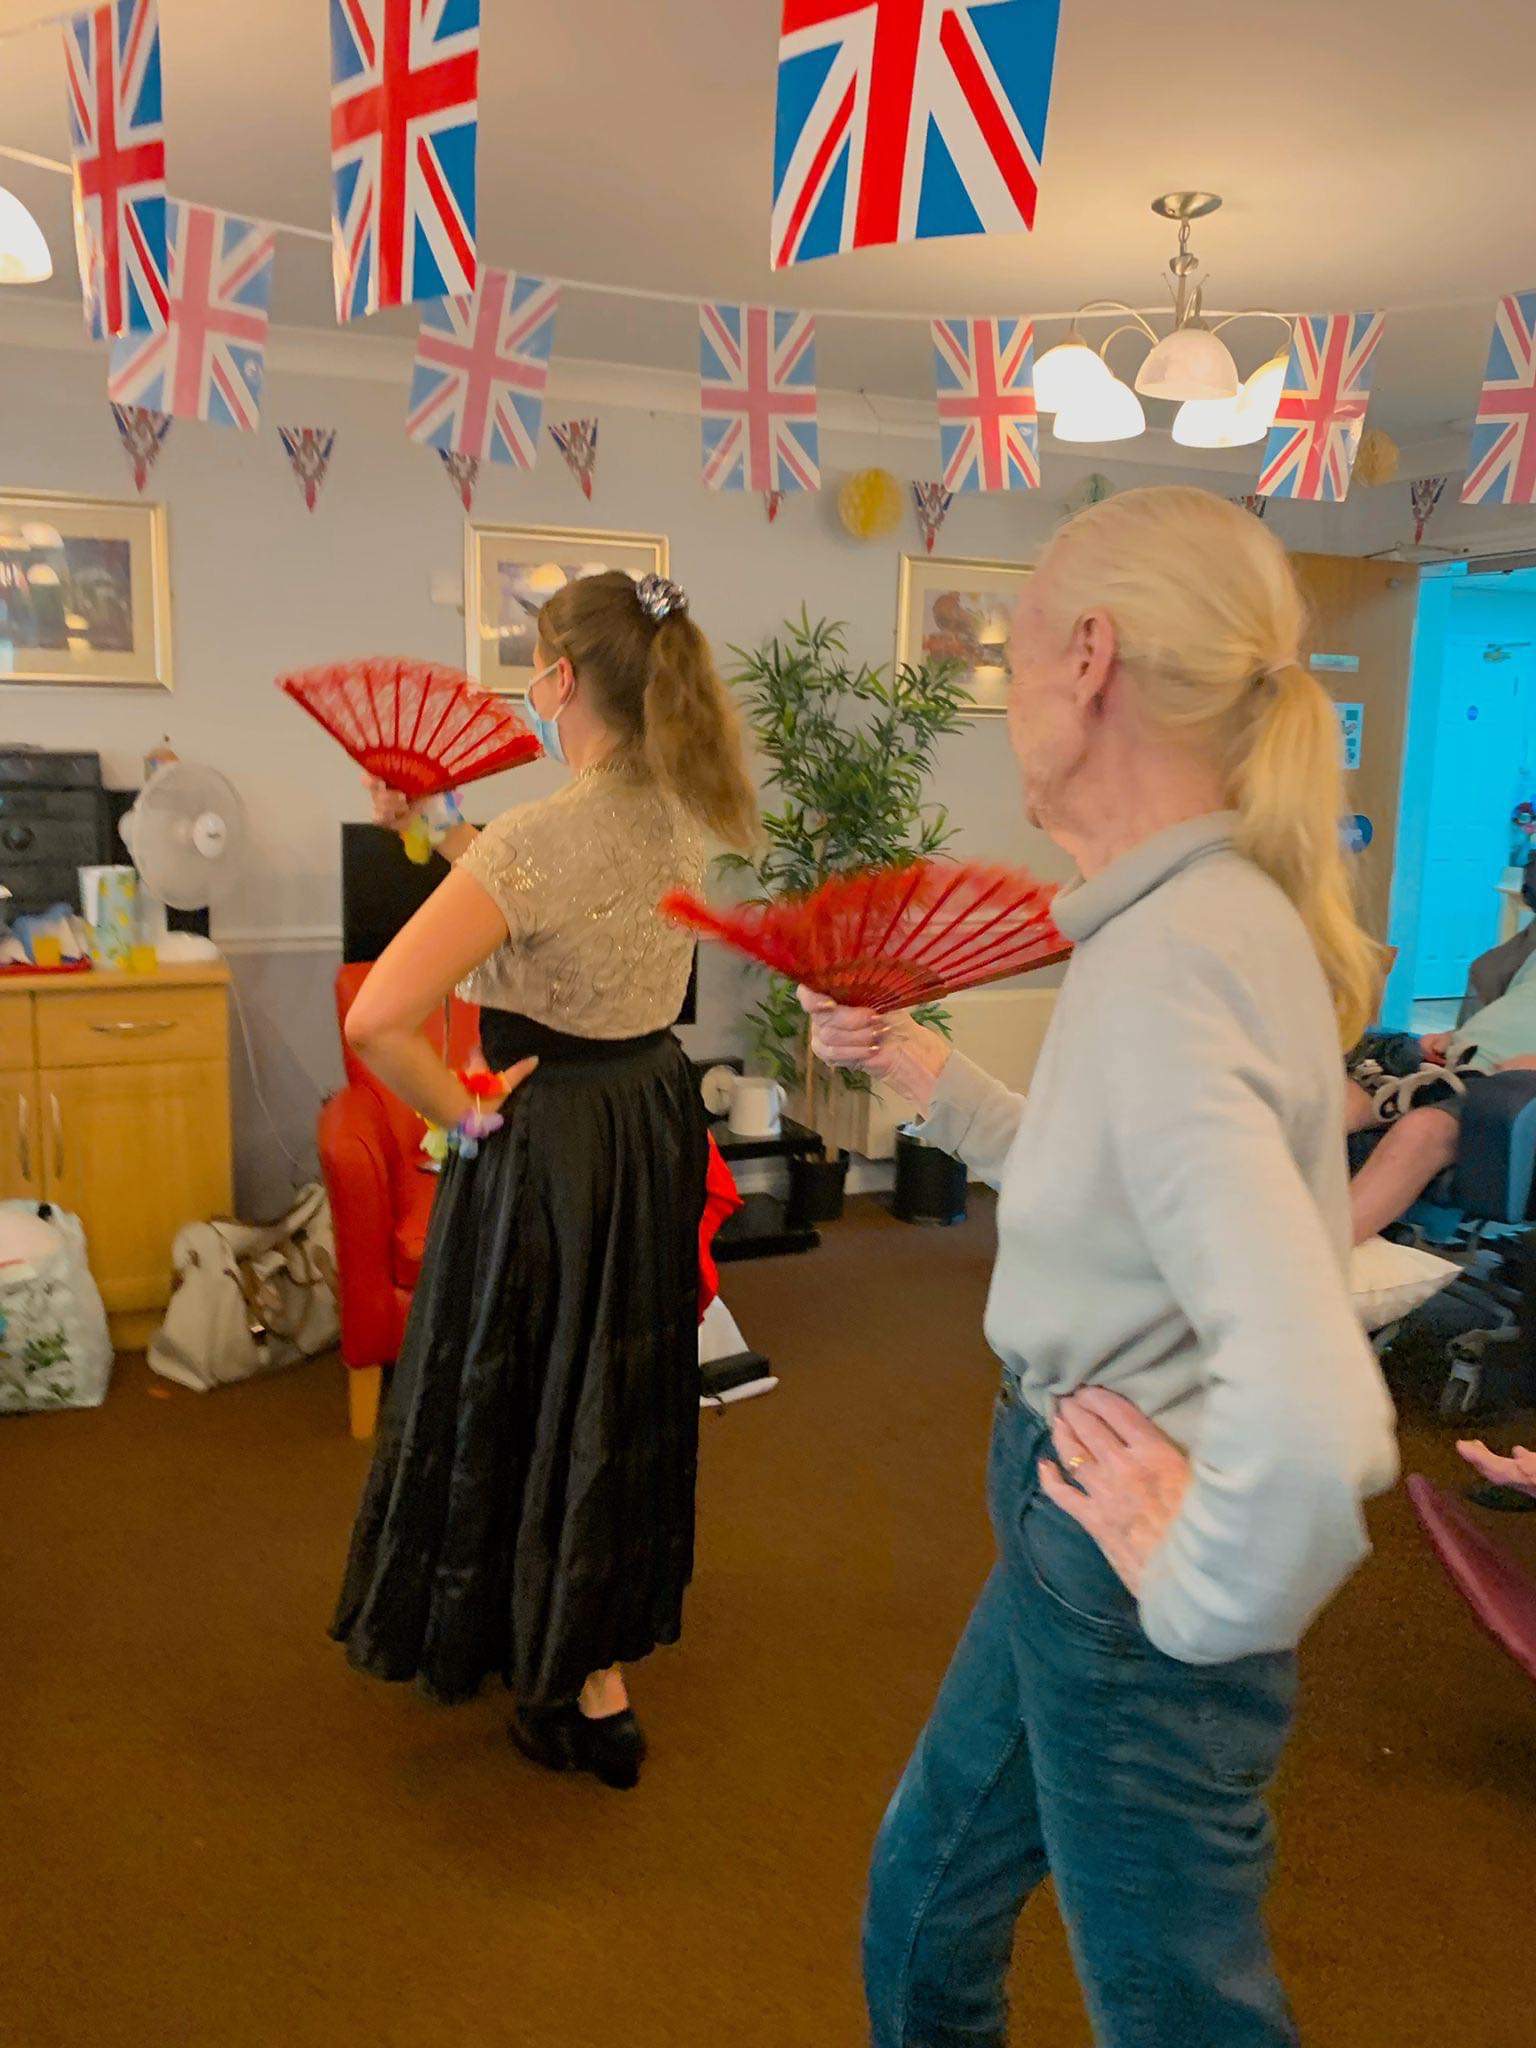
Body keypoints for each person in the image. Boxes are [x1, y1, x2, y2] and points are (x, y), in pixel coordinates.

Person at [804, 486, 1400, 2047]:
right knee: (924, 1904)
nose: (1006, 693)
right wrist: (919, 1072)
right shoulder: (1181, 922)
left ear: (1089, 658)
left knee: (1178, 2014)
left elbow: (1321, 1411)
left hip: (1126, 1554)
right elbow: (1109, 1189)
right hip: (1072, 1507)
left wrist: (1200, 1595)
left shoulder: (1180, 952)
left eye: (1010, 653)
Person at [331, 570, 757, 1790]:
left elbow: (380, 1020)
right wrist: (436, 819)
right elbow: (547, 890)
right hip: (646, 1117)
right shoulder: (685, 804)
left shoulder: (538, 837)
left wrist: (462, 1113)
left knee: (520, 1380)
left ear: (560, 679)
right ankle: (591, 1660)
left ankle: (551, 1659)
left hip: (547, 1134)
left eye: (531, 660)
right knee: (611, 1385)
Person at [1346, 949, 1536, 1243]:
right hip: (1449, 1063)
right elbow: (1515, 1015)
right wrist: (1454, 1035)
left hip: (1506, 1087)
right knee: (1335, 1102)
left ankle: (1313, 1256)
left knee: (1423, 1130)